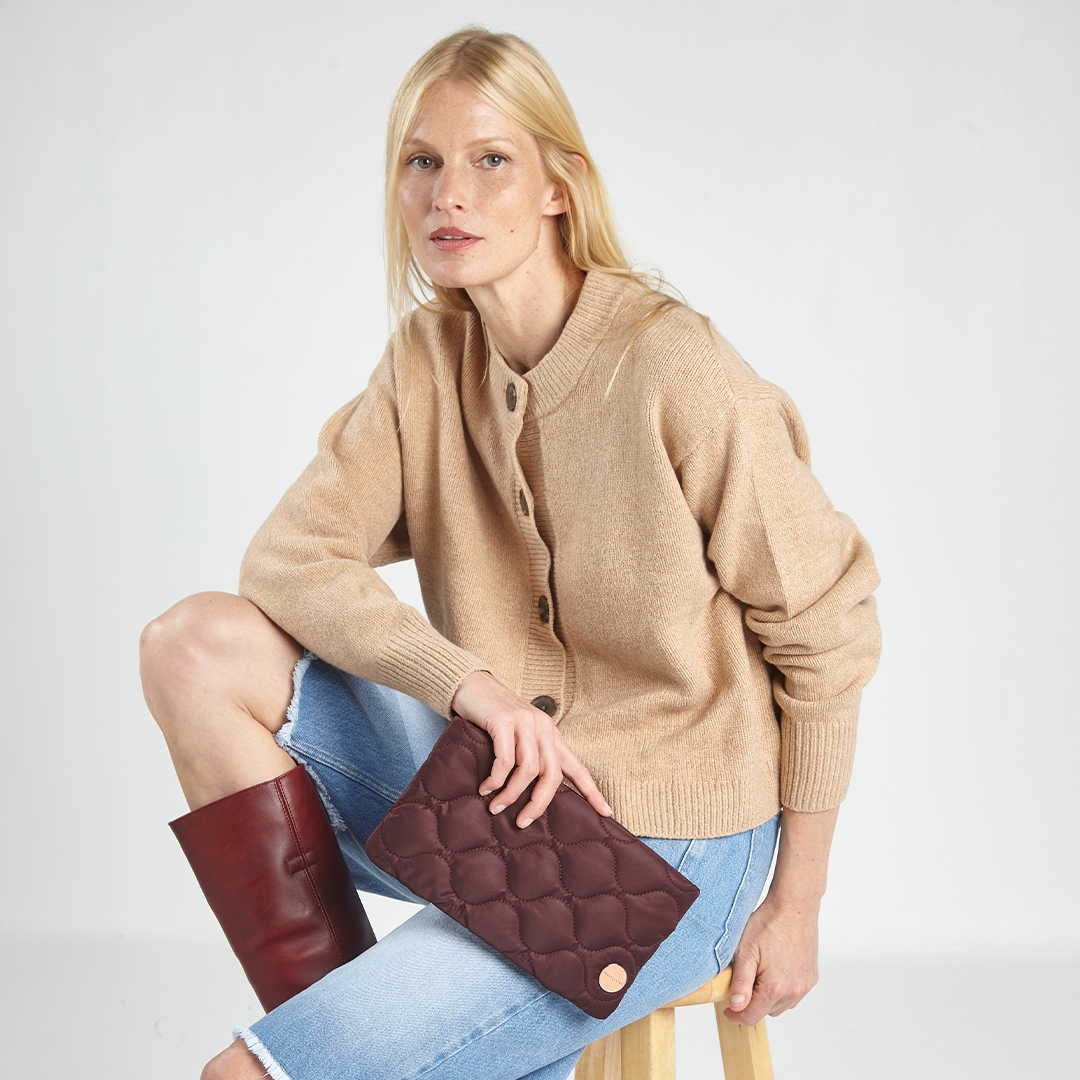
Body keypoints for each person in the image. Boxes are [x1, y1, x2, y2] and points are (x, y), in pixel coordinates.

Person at [140, 27, 881, 1080]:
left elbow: (829, 634)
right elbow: (290, 559)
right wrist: (470, 688)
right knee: (195, 646)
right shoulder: (427, 361)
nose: (451, 195)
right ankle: (372, 1035)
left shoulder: (676, 369)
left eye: (491, 160)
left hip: (669, 855)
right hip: (504, 796)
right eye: (422, 161)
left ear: (559, 188)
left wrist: (796, 902)